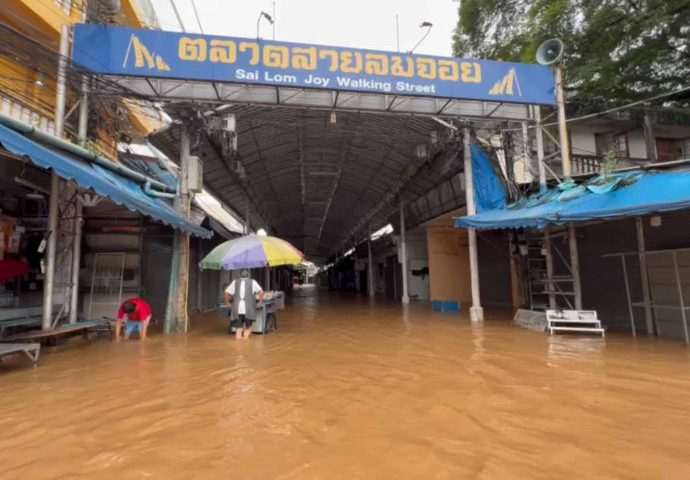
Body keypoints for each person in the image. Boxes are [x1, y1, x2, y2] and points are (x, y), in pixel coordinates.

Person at [224, 268, 264, 339]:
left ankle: (239, 344)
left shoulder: (235, 282)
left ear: (239, 274)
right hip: (249, 308)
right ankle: (245, 342)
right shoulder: (252, 282)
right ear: (248, 274)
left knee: (239, 329)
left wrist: (228, 303)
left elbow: (226, 292)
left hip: (237, 308)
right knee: (248, 327)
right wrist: (260, 302)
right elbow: (261, 292)